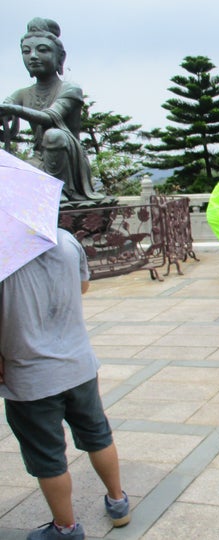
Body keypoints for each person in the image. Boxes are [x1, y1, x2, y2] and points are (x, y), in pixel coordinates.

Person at [0, 228, 130, 540]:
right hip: (79, 365)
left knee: (47, 456)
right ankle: (118, 502)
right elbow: (83, 286)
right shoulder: (64, 238)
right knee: (98, 434)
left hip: (31, 377)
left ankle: (66, 528)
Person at [0, 18, 104, 203]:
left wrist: (13, 108)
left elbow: (50, 117)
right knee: (13, 170)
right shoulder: (22, 94)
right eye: (26, 51)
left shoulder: (70, 89)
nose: (32, 56)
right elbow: (5, 113)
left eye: (42, 50)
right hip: (38, 160)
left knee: (54, 135)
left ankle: (61, 191)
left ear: (60, 57)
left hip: (69, 161)